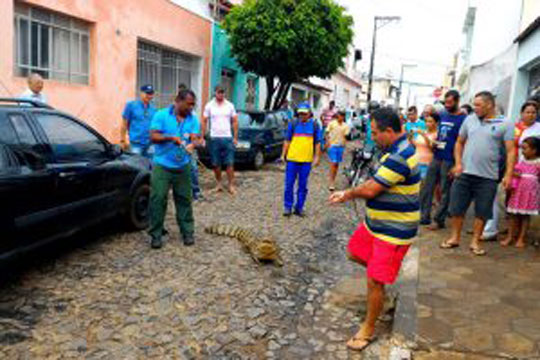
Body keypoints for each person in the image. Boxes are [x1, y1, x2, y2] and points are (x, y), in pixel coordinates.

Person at [329, 107, 420, 352]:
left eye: (376, 132)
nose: (374, 136)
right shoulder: (392, 149)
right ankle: (382, 282)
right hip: (376, 225)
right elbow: (374, 181)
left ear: (389, 131)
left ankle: (368, 329)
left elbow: (370, 189)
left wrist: (347, 194)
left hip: (393, 230)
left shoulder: (400, 155)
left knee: (374, 281)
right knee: (355, 252)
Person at [441, 91, 515, 255]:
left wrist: (508, 174)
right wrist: (458, 163)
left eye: (478, 105)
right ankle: (454, 238)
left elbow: (511, 151)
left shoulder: (506, 123)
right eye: (474, 104)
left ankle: (475, 242)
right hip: (465, 172)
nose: (475, 108)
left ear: (490, 105)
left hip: (488, 176)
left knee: (482, 211)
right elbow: (459, 143)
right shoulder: (470, 119)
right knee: (457, 207)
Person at [148, 89, 200, 249]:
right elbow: (153, 136)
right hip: (162, 165)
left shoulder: (193, 119)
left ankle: (187, 232)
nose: (191, 107)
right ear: (178, 101)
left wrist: (193, 144)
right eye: (189, 104)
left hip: (182, 165)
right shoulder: (161, 115)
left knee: (184, 199)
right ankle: (156, 234)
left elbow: (196, 137)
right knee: (158, 198)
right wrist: (170, 138)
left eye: (193, 105)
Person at [482, 100, 539, 240]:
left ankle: (521, 234)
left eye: (534, 112)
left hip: (532, 171)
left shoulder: (539, 128)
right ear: (521, 113)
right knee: (511, 200)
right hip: (514, 168)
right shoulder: (514, 127)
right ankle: (511, 229)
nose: (531, 115)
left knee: (527, 203)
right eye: (528, 112)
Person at [419, 90, 467, 230]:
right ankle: (424, 216)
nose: (446, 105)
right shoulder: (443, 115)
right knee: (427, 187)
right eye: (445, 102)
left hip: (450, 159)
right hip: (437, 155)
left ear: (457, 101)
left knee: (445, 190)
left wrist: (458, 162)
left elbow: (464, 141)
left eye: (450, 102)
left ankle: (439, 219)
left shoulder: (463, 119)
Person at [281, 102, 322, 217]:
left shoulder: (314, 126)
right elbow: (287, 140)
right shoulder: (293, 124)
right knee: (289, 184)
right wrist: (283, 155)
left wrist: (317, 157)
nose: (302, 116)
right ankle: (287, 207)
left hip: (306, 161)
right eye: (300, 114)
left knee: (303, 186)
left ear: (309, 114)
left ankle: (299, 207)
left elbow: (318, 143)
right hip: (292, 160)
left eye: (304, 114)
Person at [501, 137, 539, 248]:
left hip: (529, 194)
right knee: (513, 215)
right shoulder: (522, 161)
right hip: (517, 192)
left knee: (525, 216)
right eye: (522, 148)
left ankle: (521, 238)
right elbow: (515, 171)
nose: (522, 151)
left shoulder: (538, 163)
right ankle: (510, 237)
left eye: (525, 148)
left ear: (534, 150)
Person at [202, 85, 239, 194]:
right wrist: (203, 136)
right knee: (215, 163)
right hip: (214, 138)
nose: (221, 94)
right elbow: (204, 120)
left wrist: (235, 137)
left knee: (230, 163)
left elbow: (235, 121)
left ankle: (231, 185)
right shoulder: (209, 105)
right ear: (215, 92)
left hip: (227, 138)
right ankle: (219, 184)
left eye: (222, 92)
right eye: (219, 92)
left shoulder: (230, 105)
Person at [121, 85, 157, 158]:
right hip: (136, 144)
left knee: (150, 166)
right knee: (136, 165)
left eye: (151, 94)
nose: (149, 96)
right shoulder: (131, 105)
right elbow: (124, 124)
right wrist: (123, 140)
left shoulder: (153, 109)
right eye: (147, 93)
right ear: (141, 93)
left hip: (150, 144)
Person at [326, 110, 350, 191]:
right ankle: (331, 182)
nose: (341, 117)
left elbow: (346, 137)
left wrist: (346, 146)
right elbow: (327, 133)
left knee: (336, 165)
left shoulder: (346, 126)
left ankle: (333, 179)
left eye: (342, 116)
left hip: (340, 147)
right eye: (340, 115)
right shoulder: (332, 123)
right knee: (333, 163)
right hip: (332, 146)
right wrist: (327, 143)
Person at [413, 112, 439, 179]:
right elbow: (415, 144)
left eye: (430, 121)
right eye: (426, 121)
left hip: (426, 164)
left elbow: (432, 148)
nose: (427, 124)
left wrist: (424, 135)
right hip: (416, 161)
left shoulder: (437, 134)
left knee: (424, 185)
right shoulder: (422, 131)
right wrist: (410, 136)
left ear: (436, 123)